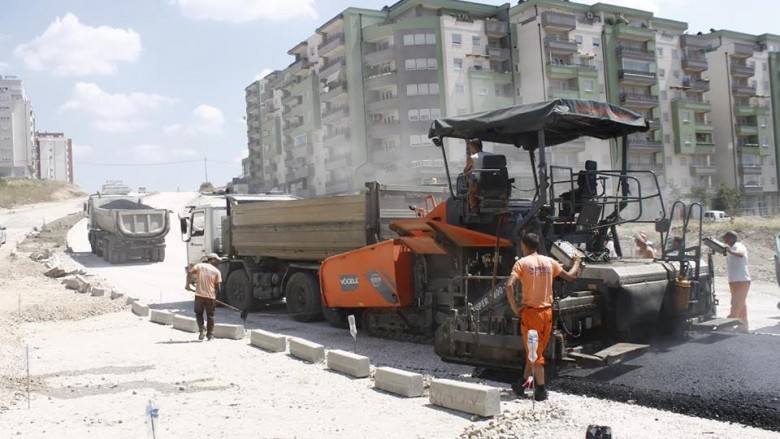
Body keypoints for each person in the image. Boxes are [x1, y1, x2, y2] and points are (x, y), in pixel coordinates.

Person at [504, 233, 582, 401]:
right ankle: (522, 384)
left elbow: (509, 285)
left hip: (531, 314)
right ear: (537, 245)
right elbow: (570, 277)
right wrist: (576, 263)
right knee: (535, 351)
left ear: (524, 245)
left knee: (535, 354)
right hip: (547, 314)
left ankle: (540, 390)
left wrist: (515, 308)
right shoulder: (549, 262)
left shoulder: (522, 263)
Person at [185, 253, 223, 341]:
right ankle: (210, 335)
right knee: (210, 315)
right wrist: (216, 297)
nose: (218, 263)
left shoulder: (199, 266)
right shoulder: (217, 271)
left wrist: (187, 285)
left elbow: (189, 272)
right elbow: (218, 287)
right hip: (210, 297)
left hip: (199, 296)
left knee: (199, 314)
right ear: (212, 260)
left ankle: (202, 330)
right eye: (217, 261)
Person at [722, 231, 750, 333]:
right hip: (735, 280)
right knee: (741, 303)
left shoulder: (738, 246)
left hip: (741, 279)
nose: (724, 240)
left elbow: (741, 254)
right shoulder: (732, 248)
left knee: (736, 302)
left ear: (731, 238)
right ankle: (743, 325)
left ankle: (730, 324)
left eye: (726, 238)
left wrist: (729, 251)